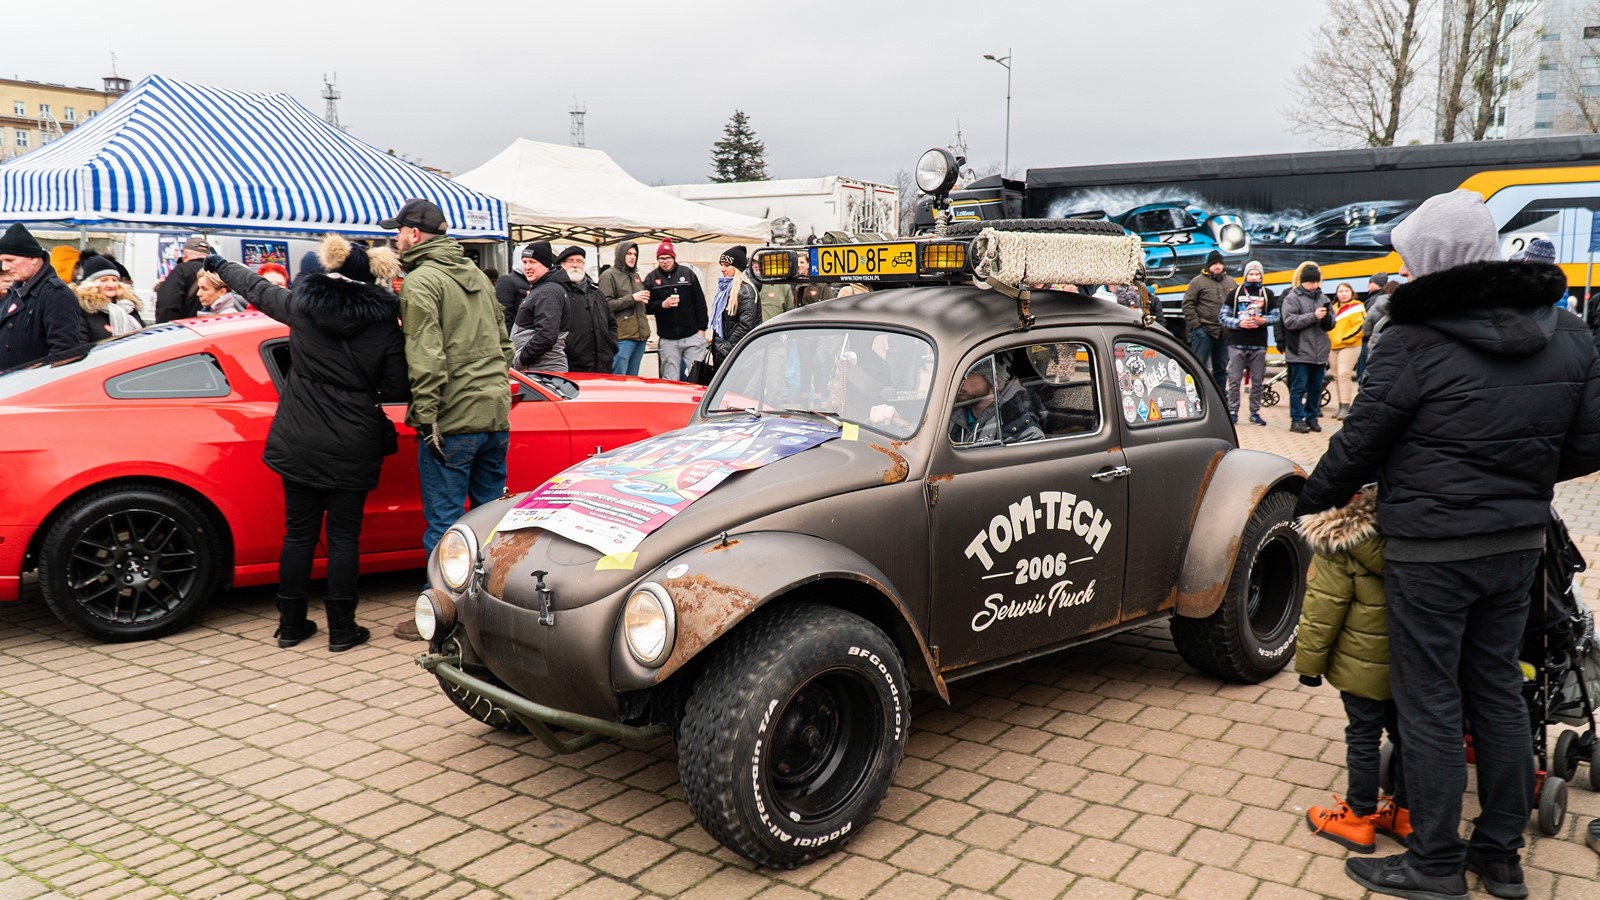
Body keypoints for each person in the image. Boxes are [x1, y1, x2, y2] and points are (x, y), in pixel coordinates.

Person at [1295, 189, 1600, 900]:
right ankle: (1500, 857)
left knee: (1430, 701)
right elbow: (1587, 445)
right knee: (1495, 691)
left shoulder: (1412, 337)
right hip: (1517, 544)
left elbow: (1359, 444)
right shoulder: (1567, 331)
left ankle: (1434, 864)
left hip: (1430, 549)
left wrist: (1308, 503)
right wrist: (1516, 476)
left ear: (1428, 259)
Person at [207, 234, 409, 652]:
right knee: (344, 537)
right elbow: (396, 386)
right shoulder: (384, 324)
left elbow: (258, 289)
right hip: (354, 440)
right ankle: (342, 630)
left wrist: (220, 265)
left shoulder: (303, 306)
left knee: (297, 534)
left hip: (298, 436)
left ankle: (291, 626)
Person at [381, 198, 514, 594]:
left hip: (454, 421)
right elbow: (505, 346)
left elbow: (426, 358)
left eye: (399, 232)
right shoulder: (473, 271)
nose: (396, 239)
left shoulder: (422, 281)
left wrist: (426, 418)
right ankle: (491, 602)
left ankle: (443, 613)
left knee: (446, 524)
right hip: (493, 414)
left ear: (414, 234)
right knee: (491, 521)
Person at [1295, 485, 1411, 855]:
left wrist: (1309, 666)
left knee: (1362, 737)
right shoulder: (1408, 529)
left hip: (1359, 665)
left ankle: (1359, 819)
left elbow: (1323, 610)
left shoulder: (1336, 540)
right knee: (1408, 735)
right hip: (1412, 661)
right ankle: (1405, 814)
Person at [0, 223, 87, 369]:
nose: (5, 267)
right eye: (3, 261)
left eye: (10, 260)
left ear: (33, 258)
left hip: (32, 386)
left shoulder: (56, 293)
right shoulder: (16, 291)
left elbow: (63, 353)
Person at [1218, 259, 1276, 427]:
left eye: (1257, 274)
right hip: (1237, 343)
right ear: (1246, 275)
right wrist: (1238, 323)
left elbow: (1277, 316)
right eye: (1251, 273)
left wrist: (1263, 320)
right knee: (1235, 380)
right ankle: (1233, 412)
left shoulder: (1267, 294)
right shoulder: (1235, 294)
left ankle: (1255, 412)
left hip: (1259, 344)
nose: (1253, 277)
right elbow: (1222, 316)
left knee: (1257, 381)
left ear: (1261, 276)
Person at [643, 238, 708, 381]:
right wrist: (662, 305)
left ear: (673, 257)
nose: (665, 261)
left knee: (696, 376)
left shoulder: (687, 274)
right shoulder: (651, 279)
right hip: (668, 339)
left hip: (692, 336)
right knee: (670, 379)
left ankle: (698, 403)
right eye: (661, 258)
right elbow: (644, 307)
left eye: (667, 258)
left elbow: (700, 302)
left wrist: (702, 330)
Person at [1281, 261, 1333, 434]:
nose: (1314, 285)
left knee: (1316, 388)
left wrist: (1327, 319)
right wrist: (1313, 316)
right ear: (1303, 281)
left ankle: (1312, 417)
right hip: (1300, 351)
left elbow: (1331, 323)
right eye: (1311, 282)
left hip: (1319, 352)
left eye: (1317, 282)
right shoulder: (1292, 298)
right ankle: (1297, 420)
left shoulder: (1323, 298)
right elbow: (1289, 322)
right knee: (1298, 387)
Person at [555, 246, 617, 373]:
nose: (575, 265)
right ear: (562, 265)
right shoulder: (558, 292)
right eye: (570, 261)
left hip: (601, 364)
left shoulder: (597, 293)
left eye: (579, 261)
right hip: (571, 365)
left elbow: (611, 323)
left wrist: (611, 346)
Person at [510, 242, 568, 373]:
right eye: (525, 262)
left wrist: (521, 359)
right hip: (537, 367)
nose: (527, 267)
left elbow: (546, 335)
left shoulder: (548, 291)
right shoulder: (543, 288)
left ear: (546, 264)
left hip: (541, 369)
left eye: (533, 262)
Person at [1181, 250, 1235, 389]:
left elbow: (1237, 303)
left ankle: (1221, 396)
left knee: (1221, 368)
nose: (1217, 266)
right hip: (1203, 331)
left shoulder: (1231, 282)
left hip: (1223, 332)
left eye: (1220, 263)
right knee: (1198, 366)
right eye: (1214, 264)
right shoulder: (1198, 282)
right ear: (1208, 265)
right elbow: (1187, 304)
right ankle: (1197, 394)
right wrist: (1196, 326)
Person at [601, 242, 650, 376]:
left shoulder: (636, 276)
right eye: (629, 254)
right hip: (622, 337)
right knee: (619, 379)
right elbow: (605, 305)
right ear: (620, 255)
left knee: (632, 380)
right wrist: (632, 298)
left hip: (640, 337)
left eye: (635, 254)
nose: (632, 257)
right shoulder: (608, 276)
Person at [75, 253, 144, 340]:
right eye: (104, 280)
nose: (111, 285)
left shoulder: (129, 307)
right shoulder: (83, 311)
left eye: (114, 280)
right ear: (91, 285)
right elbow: (80, 345)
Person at [711, 246, 760, 365]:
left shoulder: (746, 291)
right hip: (729, 354)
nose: (722, 269)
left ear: (737, 268)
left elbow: (746, 326)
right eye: (721, 265)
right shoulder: (725, 290)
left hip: (739, 356)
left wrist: (724, 349)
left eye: (726, 265)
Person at [1327, 283, 1366, 419]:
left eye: (1346, 291)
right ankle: (1340, 405)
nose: (1343, 294)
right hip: (1333, 347)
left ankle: (1346, 406)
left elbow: (1360, 327)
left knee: (1344, 374)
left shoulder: (1357, 307)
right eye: (1340, 291)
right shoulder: (1333, 308)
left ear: (1352, 293)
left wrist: (1344, 338)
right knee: (1337, 376)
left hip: (1350, 345)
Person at [155, 236, 212, 322]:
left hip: (187, 330)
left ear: (185, 253)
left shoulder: (181, 270)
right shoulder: (217, 271)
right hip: (213, 328)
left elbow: (168, 305)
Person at [493, 252, 531, 335]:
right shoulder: (507, 281)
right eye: (525, 262)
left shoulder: (533, 282)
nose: (528, 266)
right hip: (515, 338)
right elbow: (503, 314)